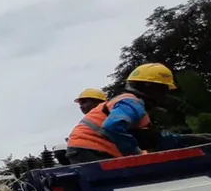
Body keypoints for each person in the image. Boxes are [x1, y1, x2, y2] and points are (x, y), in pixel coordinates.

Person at [66, 63, 209, 164]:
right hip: (91, 150)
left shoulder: (134, 107)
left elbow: (154, 140)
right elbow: (112, 127)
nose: (164, 94)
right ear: (149, 86)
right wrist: (136, 155)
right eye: (163, 89)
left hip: (86, 150)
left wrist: (199, 139)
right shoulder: (131, 102)